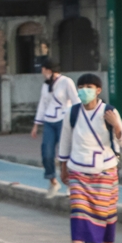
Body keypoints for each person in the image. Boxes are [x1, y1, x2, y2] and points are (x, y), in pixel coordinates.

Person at [58, 72, 122, 243]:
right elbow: (65, 142)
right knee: (78, 212)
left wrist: (116, 124)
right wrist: (63, 167)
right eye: (81, 87)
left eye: (89, 87)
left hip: (105, 171)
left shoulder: (109, 112)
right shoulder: (72, 113)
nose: (84, 90)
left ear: (98, 90)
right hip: (78, 171)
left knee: (107, 214)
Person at [32, 58, 79, 198]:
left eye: (43, 69)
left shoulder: (66, 82)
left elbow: (76, 100)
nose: (42, 72)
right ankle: (53, 181)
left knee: (66, 154)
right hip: (49, 121)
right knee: (46, 152)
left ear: (49, 70)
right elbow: (42, 104)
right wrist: (36, 125)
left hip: (64, 121)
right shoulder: (45, 85)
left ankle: (71, 184)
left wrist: (78, 120)